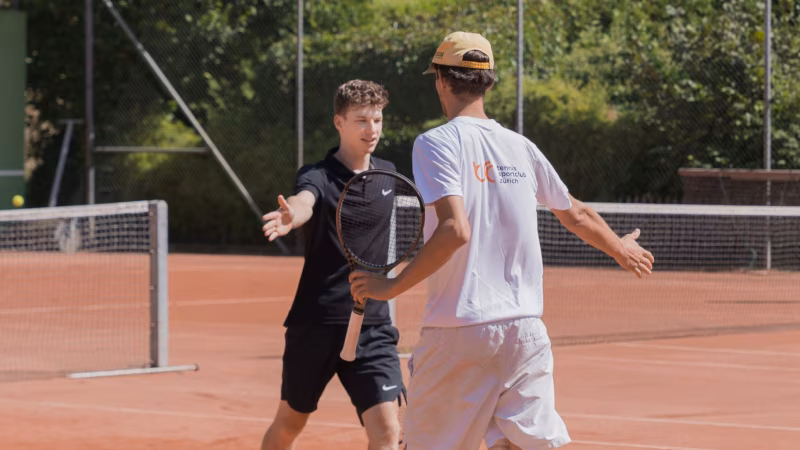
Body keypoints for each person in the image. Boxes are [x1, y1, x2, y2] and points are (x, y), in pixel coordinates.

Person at [349, 32, 655, 449]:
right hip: (525, 331)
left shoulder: (435, 143)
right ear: (488, 81)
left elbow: (455, 230)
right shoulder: (520, 146)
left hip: (459, 331)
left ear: (441, 81)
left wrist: (391, 286)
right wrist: (621, 249)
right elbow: (576, 213)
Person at [260, 79, 405, 450]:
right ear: (339, 122)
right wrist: (292, 215)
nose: (371, 130)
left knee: (388, 431)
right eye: (361, 120)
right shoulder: (318, 176)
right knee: (289, 423)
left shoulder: (388, 174)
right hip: (317, 322)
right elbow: (305, 200)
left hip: (373, 325)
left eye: (376, 120)